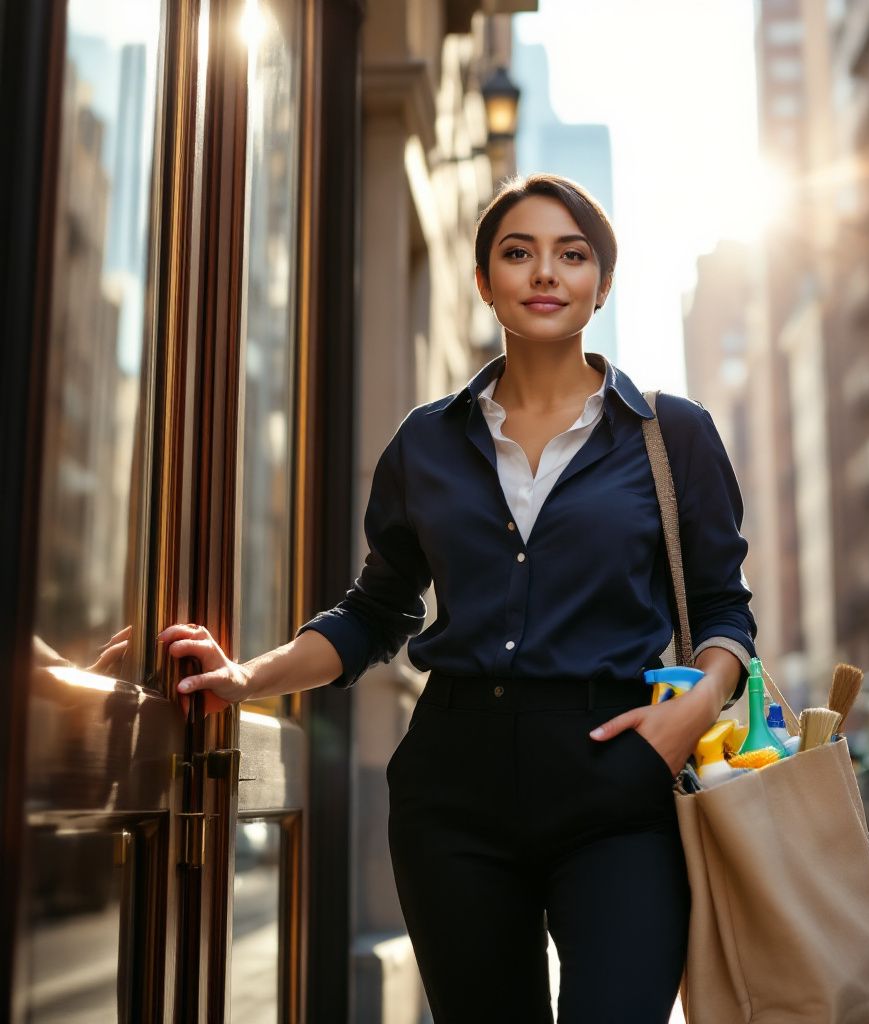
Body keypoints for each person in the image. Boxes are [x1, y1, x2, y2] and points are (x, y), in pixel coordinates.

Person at [159, 173, 756, 1023]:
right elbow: (377, 611)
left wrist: (696, 706)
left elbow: (724, 608)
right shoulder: (426, 441)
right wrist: (246, 677)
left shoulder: (673, 435)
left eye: (572, 254)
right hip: (456, 790)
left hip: (621, 780)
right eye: (519, 253)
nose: (546, 272)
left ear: (602, 284)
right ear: (484, 282)